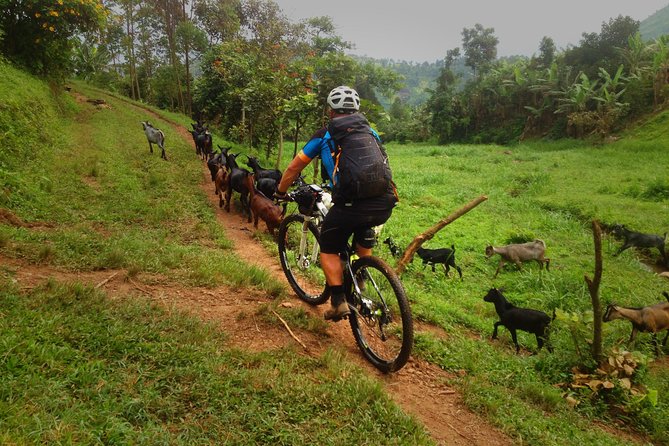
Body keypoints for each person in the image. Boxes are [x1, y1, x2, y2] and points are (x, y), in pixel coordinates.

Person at [275, 86, 398, 321]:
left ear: (331, 112)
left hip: (351, 204)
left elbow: (294, 167)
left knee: (329, 245)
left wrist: (281, 191)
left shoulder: (325, 134)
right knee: (363, 229)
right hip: (383, 203)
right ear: (356, 110)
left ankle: (338, 301)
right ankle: (361, 276)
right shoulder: (371, 132)